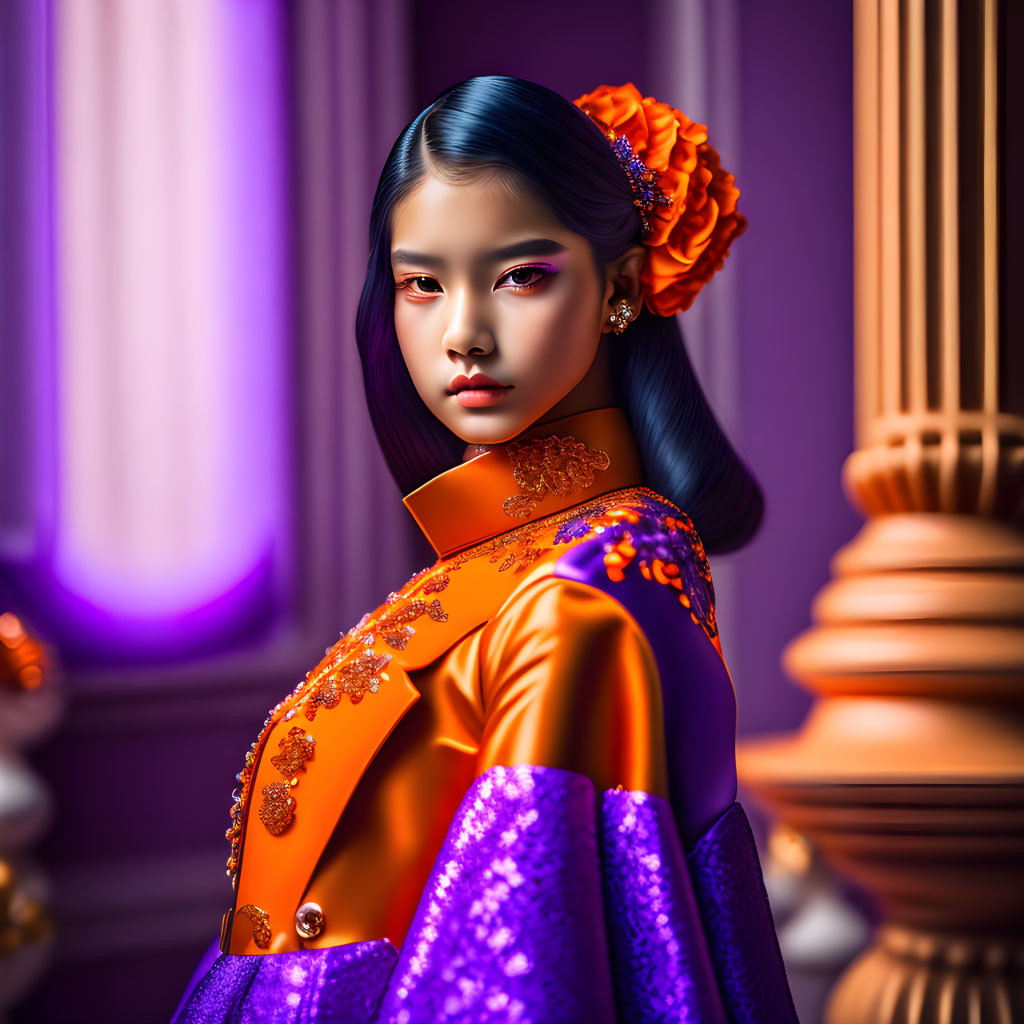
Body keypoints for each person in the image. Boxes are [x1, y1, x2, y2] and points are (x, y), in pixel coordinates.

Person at [171, 75, 798, 1023]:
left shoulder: (577, 595)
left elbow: (516, 985)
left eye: (519, 276)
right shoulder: (521, 556)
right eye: (422, 284)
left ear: (622, 289)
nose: (462, 334)